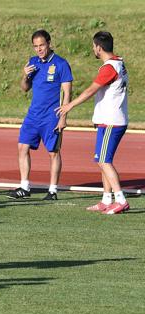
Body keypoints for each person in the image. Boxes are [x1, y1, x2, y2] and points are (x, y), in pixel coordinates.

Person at [56, 31, 129, 214]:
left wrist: (69, 105)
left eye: (93, 46)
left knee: (104, 160)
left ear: (98, 47)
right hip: (107, 120)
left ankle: (120, 199)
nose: (93, 49)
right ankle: (106, 199)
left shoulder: (109, 67)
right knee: (102, 160)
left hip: (112, 120)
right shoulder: (117, 63)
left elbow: (90, 90)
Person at [7, 30, 72, 200]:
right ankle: (24, 187)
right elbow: (24, 88)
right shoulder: (33, 62)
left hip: (52, 116)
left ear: (49, 43)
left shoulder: (61, 64)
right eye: (36, 46)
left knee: (53, 152)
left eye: (42, 45)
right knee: (22, 147)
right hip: (33, 115)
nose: (39, 49)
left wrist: (63, 117)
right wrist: (25, 75)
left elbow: (67, 93)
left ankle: (52, 190)